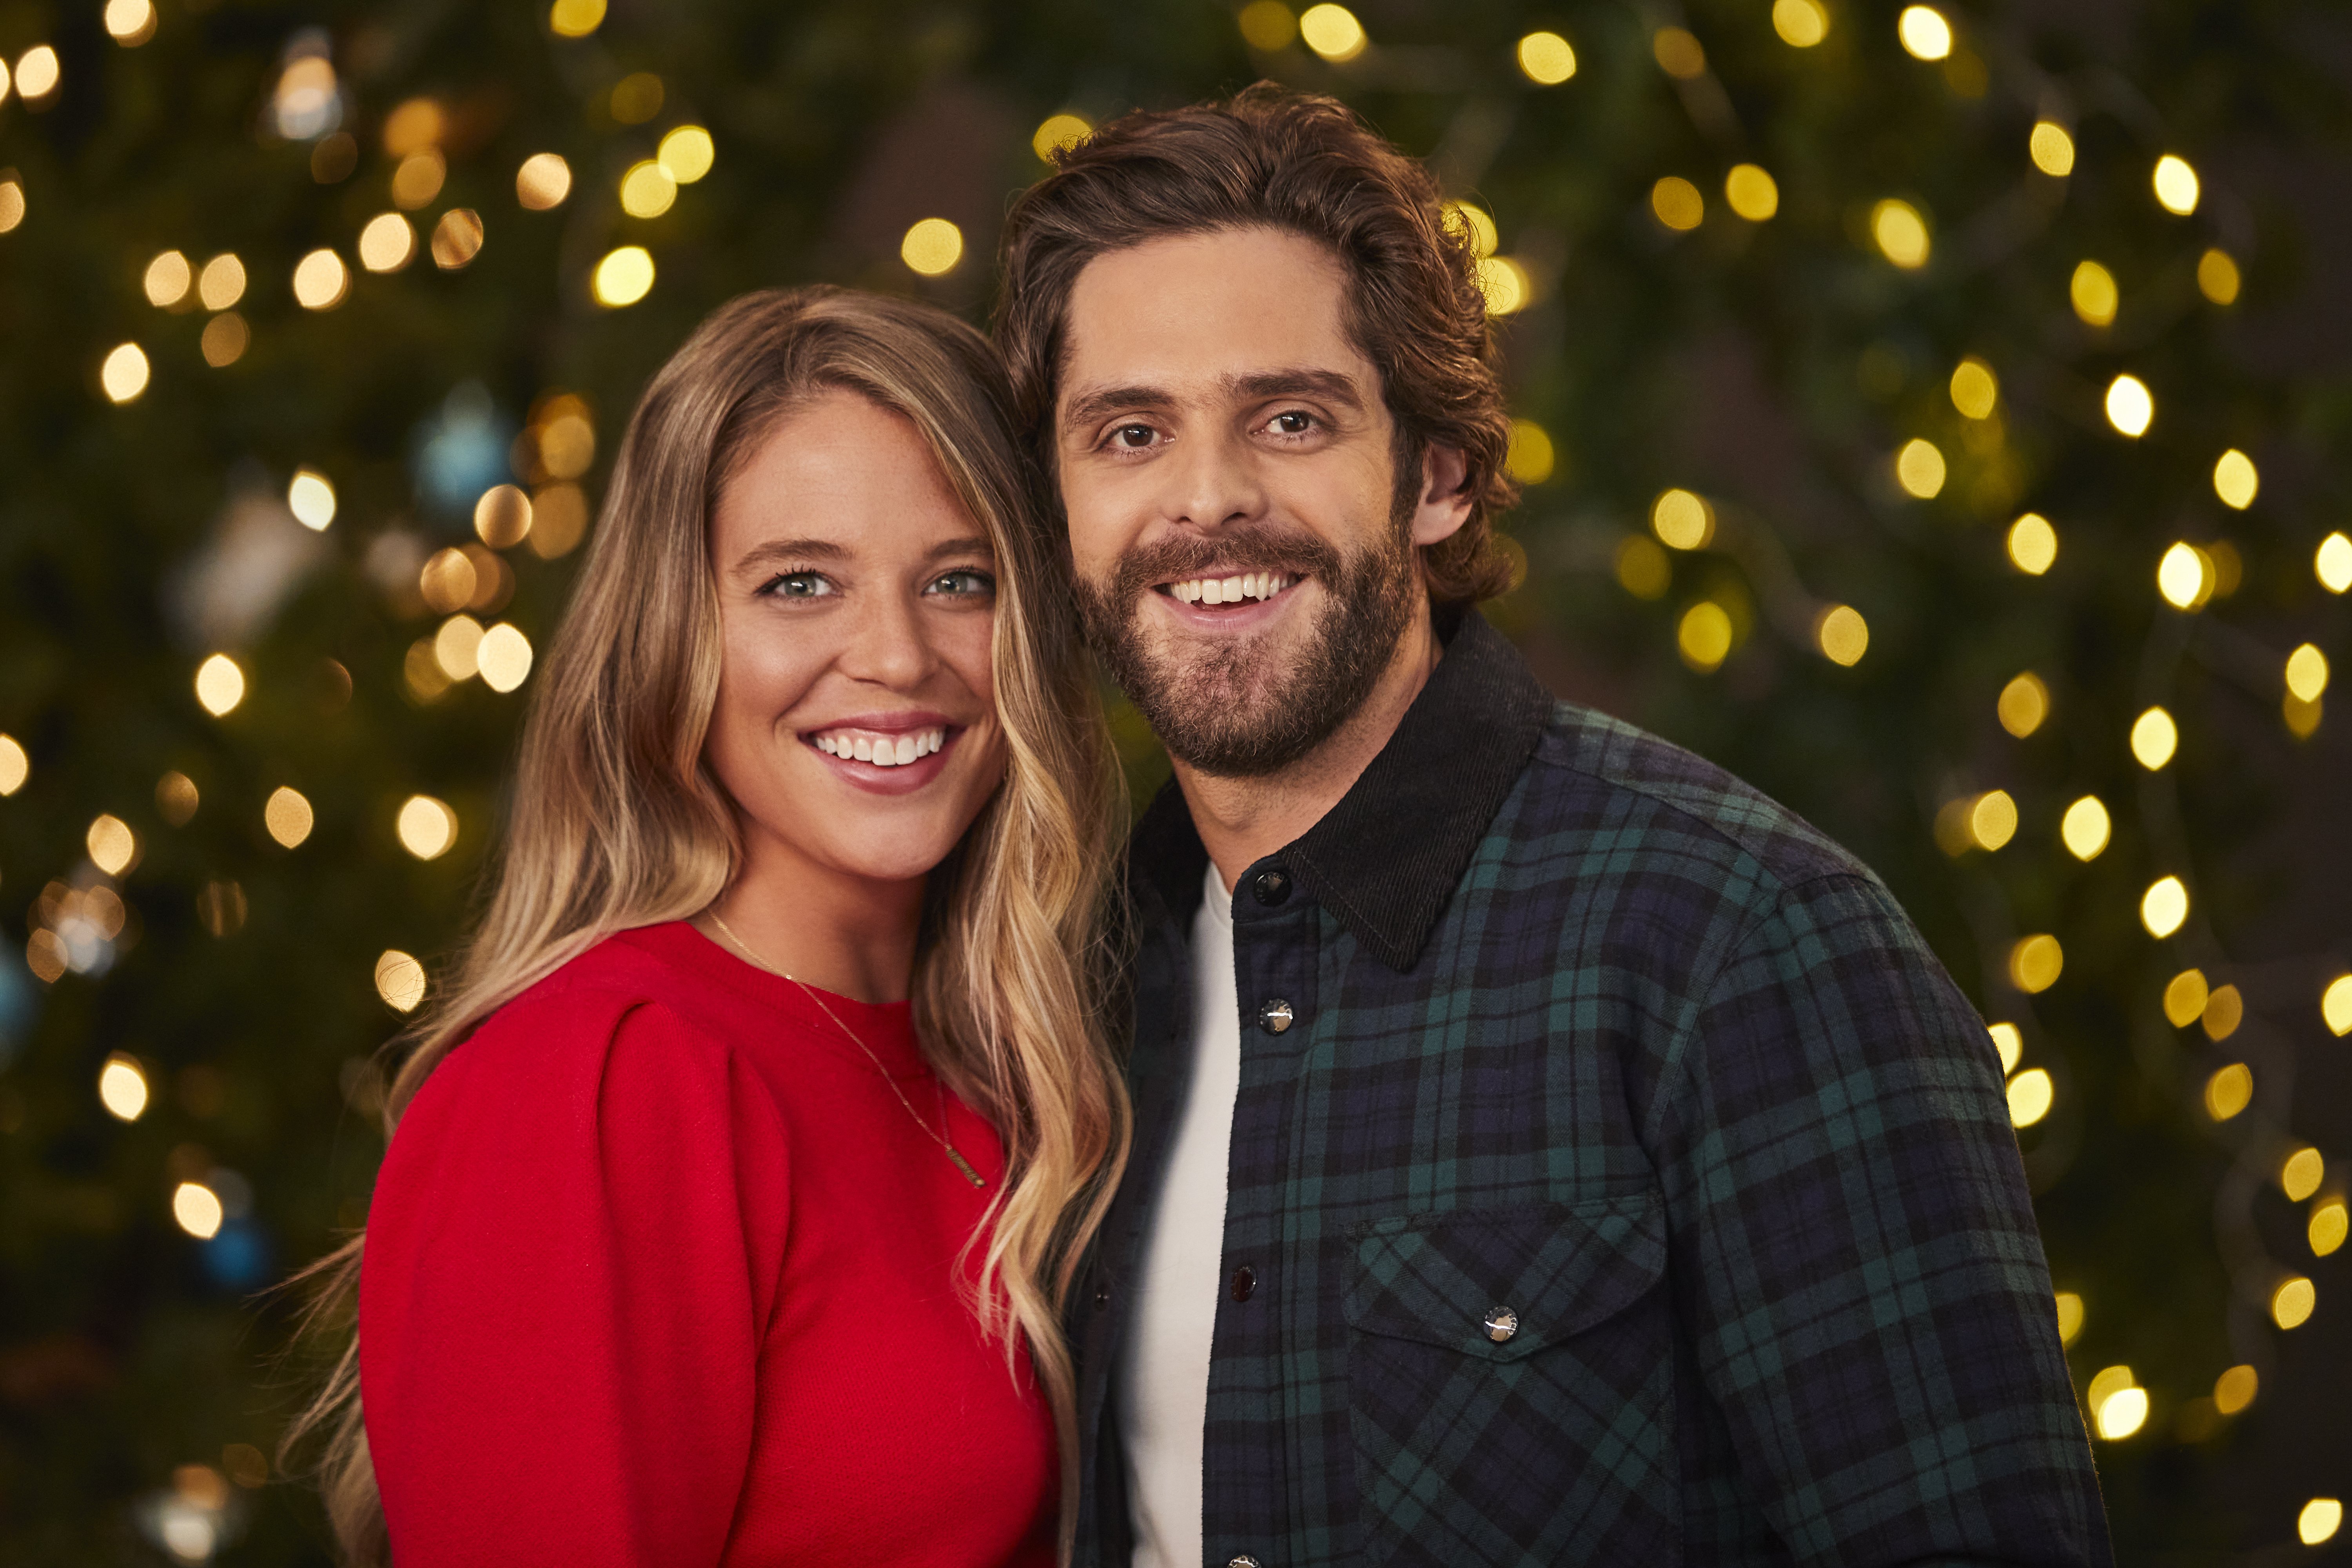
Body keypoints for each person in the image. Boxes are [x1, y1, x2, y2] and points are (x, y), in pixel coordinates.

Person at [995, 87, 2111, 1568]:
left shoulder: (1745, 947)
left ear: (1438, 476)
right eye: (1130, 432)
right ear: (1058, 503)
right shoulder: (1065, 983)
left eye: (1291, 418)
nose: (1209, 499)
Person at [282, 287, 1128, 1566]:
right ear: (674, 635)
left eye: (961, 579)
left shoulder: (1018, 1070)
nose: (896, 656)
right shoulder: (604, 1079)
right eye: (800, 584)